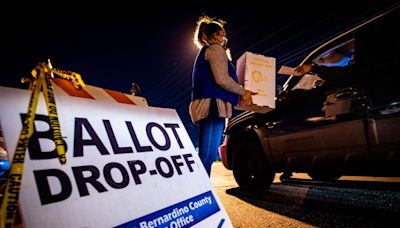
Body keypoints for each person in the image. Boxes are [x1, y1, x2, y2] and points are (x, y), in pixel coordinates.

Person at [189, 15, 255, 176]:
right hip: (213, 106)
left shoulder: (207, 50)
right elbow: (222, 79)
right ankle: (201, 192)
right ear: (213, 36)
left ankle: (202, 190)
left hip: (211, 105)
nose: (224, 37)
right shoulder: (215, 49)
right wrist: (243, 91)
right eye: (221, 33)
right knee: (207, 155)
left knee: (208, 154)